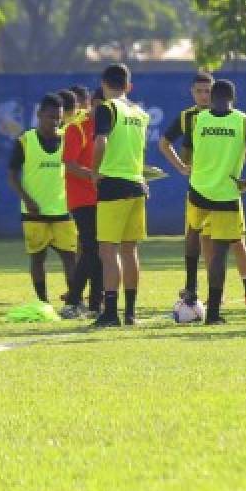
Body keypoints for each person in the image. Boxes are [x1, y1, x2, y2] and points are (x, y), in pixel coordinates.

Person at [159, 72, 246, 306]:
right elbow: (165, 143)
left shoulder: (234, 118)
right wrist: (183, 167)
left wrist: (239, 160)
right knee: (202, 238)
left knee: (236, 242)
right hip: (201, 190)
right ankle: (207, 292)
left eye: (207, 91)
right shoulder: (189, 118)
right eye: (199, 91)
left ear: (215, 92)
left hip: (226, 189)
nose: (204, 96)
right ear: (192, 92)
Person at [181, 79, 246, 324]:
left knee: (193, 232)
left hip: (198, 189)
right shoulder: (244, 121)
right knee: (219, 253)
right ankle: (212, 315)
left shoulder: (197, 120)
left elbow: (187, 153)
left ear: (211, 97)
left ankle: (191, 287)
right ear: (233, 97)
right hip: (226, 194)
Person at [92, 63, 151, 327]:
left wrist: (94, 171)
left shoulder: (107, 107)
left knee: (108, 251)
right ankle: (130, 312)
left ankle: (110, 312)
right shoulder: (140, 113)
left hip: (113, 184)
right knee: (130, 251)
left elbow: (101, 141)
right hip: (137, 185)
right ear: (128, 85)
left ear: (104, 84)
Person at [9, 95, 77, 304]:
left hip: (62, 209)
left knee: (70, 257)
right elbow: (12, 175)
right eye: (50, 117)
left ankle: (74, 300)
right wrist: (27, 199)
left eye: (58, 118)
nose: (54, 122)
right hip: (34, 211)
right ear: (38, 115)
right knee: (38, 258)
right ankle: (43, 302)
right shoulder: (25, 141)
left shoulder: (67, 138)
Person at [61, 88, 105, 317]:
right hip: (82, 198)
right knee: (90, 248)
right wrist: (93, 175)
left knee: (99, 250)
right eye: (103, 106)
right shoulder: (76, 128)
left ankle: (95, 304)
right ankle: (74, 299)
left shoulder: (108, 127)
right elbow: (68, 163)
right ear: (94, 103)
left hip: (103, 197)